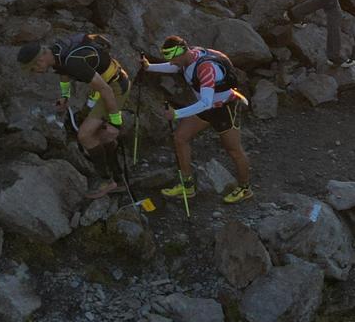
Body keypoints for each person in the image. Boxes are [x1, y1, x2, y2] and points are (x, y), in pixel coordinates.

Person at [139, 36, 254, 204]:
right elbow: (176, 67)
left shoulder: (206, 68)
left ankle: (245, 188)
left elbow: (206, 102)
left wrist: (176, 114)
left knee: (233, 150)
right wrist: (149, 67)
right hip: (207, 107)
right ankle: (187, 186)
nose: (171, 63)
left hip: (224, 108)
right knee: (180, 138)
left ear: (182, 52)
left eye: (173, 59)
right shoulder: (188, 56)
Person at [18, 32, 130, 196]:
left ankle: (107, 181)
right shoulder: (55, 52)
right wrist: (65, 96)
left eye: (33, 68)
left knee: (85, 135)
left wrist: (115, 123)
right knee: (96, 132)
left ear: (41, 60)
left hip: (115, 87)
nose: (35, 71)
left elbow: (106, 90)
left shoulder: (73, 63)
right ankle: (118, 179)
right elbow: (63, 73)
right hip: (103, 86)